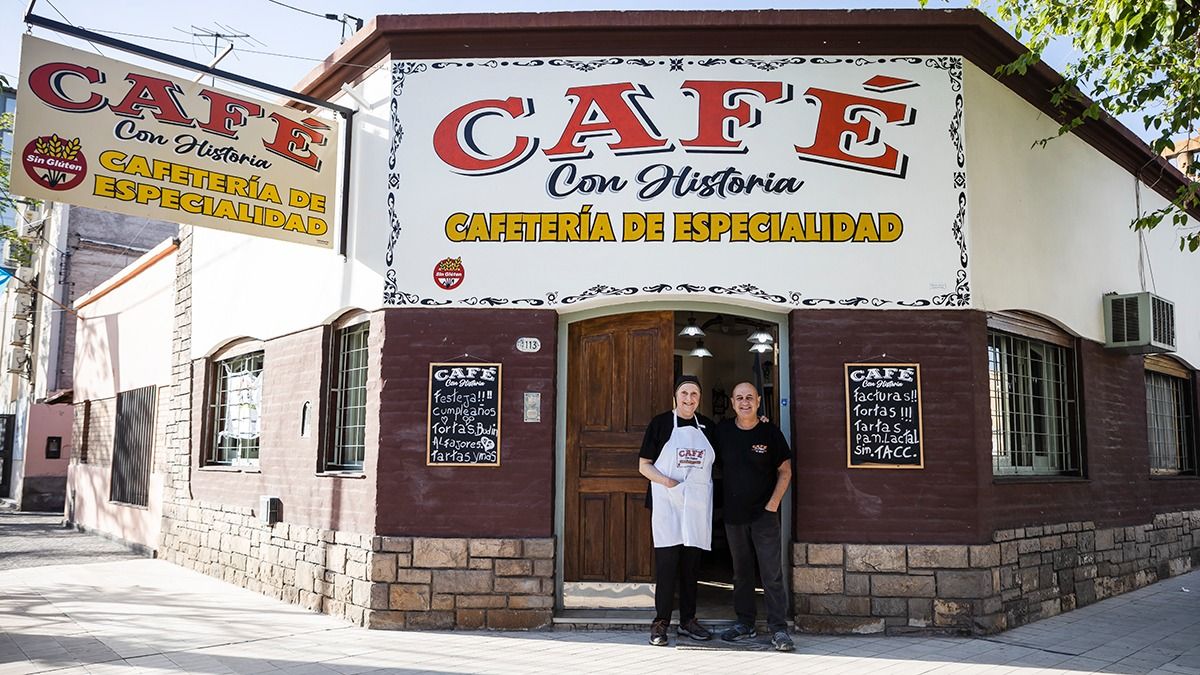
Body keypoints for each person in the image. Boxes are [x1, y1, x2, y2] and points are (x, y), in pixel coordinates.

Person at [637, 374, 716, 647]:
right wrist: (666, 481)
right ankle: (661, 622)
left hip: (695, 506)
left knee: (691, 567)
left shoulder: (708, 427)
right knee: (667, 566)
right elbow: (644, 465)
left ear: (699, 398)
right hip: (667, 504)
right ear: (675, 396)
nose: (689, 399)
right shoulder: (660, 424)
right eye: (684, 393)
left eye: (694, 394)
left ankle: (688, 621)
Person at [716, 381, 795, 652]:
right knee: (741, 572)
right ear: (732, 402)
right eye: (739, 398)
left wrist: (773, 504)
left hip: (764, 516)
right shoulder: (722, 431)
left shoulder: (769, 432)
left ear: (759, 401)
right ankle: (745, 623)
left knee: (771, 573)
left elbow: (785, 470)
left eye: (749, 397)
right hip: (734, 515)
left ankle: (779, 629)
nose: (744, 402)